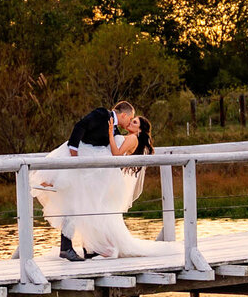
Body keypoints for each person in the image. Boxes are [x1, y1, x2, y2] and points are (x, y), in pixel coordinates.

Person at [33, 111, 174, 261]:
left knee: (83, 203)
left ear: (140, 129)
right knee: (86, 205)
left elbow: (116, 155)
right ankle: (87, 248)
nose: (131, 123)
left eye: (135, 122)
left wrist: (110, 135)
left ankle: (79, 247)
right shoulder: (120, 131)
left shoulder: (132, 138)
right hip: (100, 172)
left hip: (103, 174)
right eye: (131, 120)